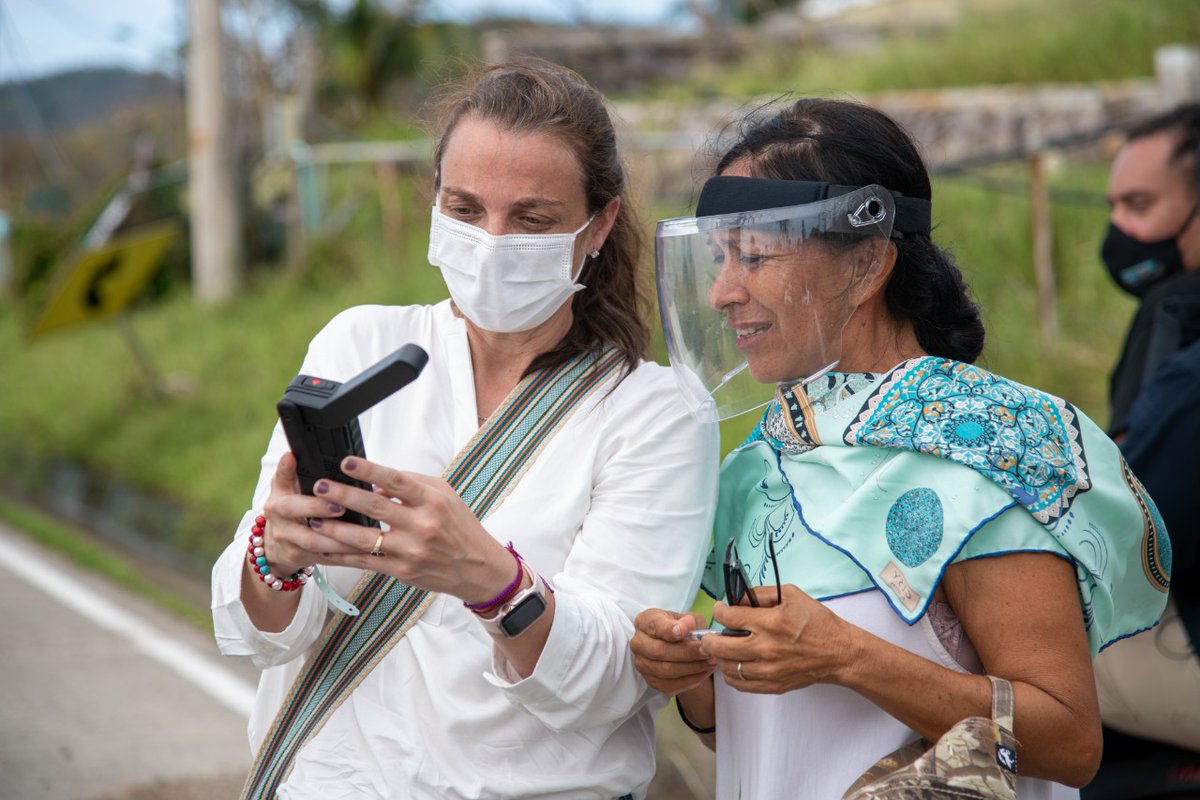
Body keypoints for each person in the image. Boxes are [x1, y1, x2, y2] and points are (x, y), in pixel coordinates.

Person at [630, 97, 1171, 800]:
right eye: (717, 258)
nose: (721, 291)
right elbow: (767, 742)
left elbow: (1067, 741)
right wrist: (694, 677)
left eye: (755, 257)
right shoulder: (757, 470)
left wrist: (847, 656)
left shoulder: (984, 451)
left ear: (866, 264)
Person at [211, 59, 719, 800]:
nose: (493, 239)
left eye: (534, 218)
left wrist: (491, 578)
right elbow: (259, 635)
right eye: (465, 208)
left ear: (600, 223)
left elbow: (616, 682)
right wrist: (277, 554)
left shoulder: (658, 410)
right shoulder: (357, 345)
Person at [1086, 103, 1200, 792]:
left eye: (1141, 204)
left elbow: (1136, 536)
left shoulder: (1174, 317)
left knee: (1004, 661)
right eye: (1114, 205)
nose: (1119, 231)